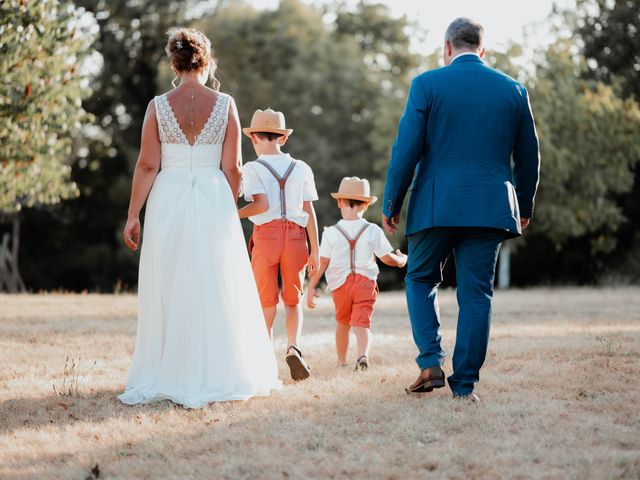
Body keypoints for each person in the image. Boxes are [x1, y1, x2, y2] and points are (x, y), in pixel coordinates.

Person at [119, 28, 281, 408]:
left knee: (170, 281)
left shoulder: (158, 106)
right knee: (215, 281)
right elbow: (233, 167)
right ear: (206, 61)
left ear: (174, 64)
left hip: (167, 198)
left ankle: (170, 369)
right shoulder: (224, 104)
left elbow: (146, 165)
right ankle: (219, 370)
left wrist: (132, 215)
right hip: (213, 197)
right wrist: (228, 209)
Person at [382, 18, 540, 401]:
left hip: (436, 204)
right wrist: (524, 204)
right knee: (476, 294)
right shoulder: (514, 90)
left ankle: (430, 361)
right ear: (482, 50)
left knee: (419, 279)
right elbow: (530, 157)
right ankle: (465, 386)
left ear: (447, 47)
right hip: (490, 207)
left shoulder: (427, 84)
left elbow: (407, 150)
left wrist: (392, 202)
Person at [239, 109, 320, 381]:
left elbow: (260, 205)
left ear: (253, 139)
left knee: (265, 300)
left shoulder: (252, 168)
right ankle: (293, 347)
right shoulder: (302, 168)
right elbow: (308, 211)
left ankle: (264, 361)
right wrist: (316, 251)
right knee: (293, 299)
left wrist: (231, 212)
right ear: (282, 138)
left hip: (266, 237)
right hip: (297, 238)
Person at [306, 177, 407, 370]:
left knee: (342, 323)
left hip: (340, 285)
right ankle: (362, 356)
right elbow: (386, 258)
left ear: (339, 202)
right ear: (367, 205)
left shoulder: (331, 233)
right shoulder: (373, 230)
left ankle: (341, 361)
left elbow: (323, 262)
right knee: (362, 324)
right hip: (365, 284)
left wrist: (311, 287)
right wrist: (401, 261)